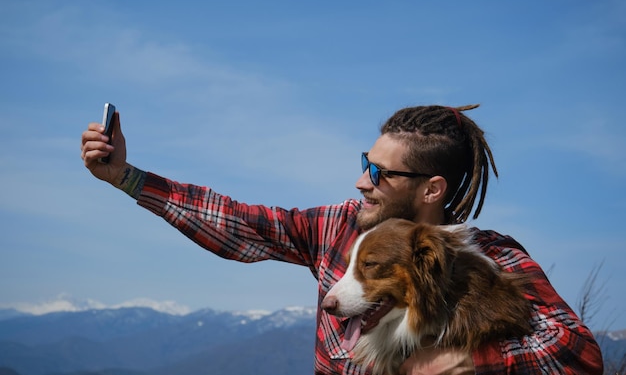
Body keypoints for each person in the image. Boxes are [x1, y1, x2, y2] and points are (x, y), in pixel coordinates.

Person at [80, 104, 603, 374]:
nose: (360, 182)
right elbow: (238, 223)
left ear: (431, 189)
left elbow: (579, 356)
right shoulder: (338, 228)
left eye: (379, 173)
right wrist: (126, 177)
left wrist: (473, 361)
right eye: (363, 163)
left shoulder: (493, 255)